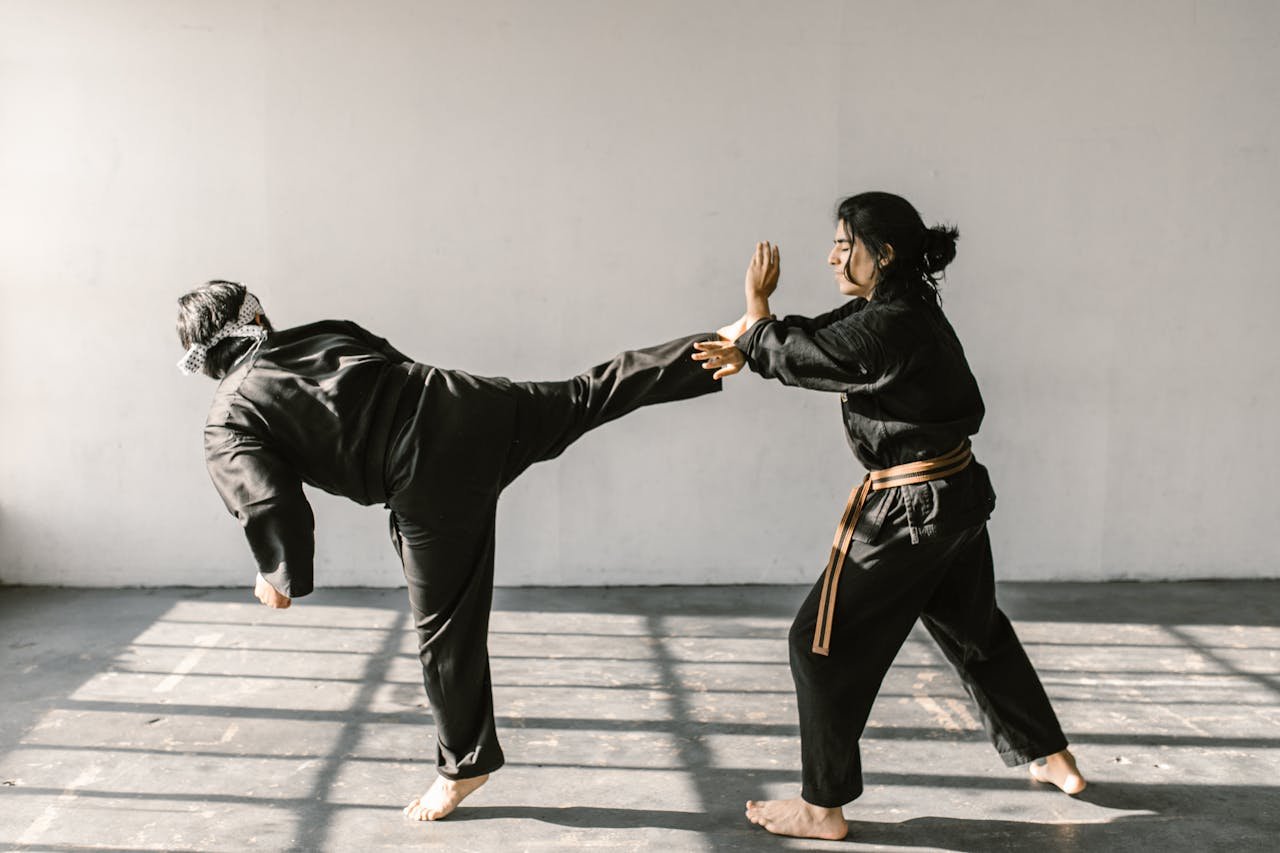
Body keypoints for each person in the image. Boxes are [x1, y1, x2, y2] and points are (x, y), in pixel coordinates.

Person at [176, 281, 722, 821]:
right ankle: (724, 346)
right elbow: (393, 364)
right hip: (470, 404)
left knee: (445, 632)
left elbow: (271, 503)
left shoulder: (228, 418)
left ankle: (465, 766)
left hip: (428, 483)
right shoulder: (321, 333)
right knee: (588, 393)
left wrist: (277, 575)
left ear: (201, 358)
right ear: (257, 319)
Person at [692, 192, 1086, 841]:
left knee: (817, 645)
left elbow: (822, 354)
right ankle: (1053, 757)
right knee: (973, 630)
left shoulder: (893, 324)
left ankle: (822, 806)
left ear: (887, 252)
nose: (833, 254)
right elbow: (829, 336)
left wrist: (758, 321)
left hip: (911, 505)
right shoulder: (906, 307)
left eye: (846, 243)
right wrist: (754, 340)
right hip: (955, 493)